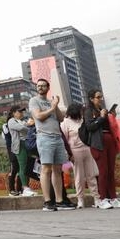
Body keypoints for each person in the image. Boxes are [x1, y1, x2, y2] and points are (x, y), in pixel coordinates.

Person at [28, 79, 69, 212]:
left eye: (43, 86)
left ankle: (59, 200)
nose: (40, 88)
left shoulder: (50, 102)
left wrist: (55, 105)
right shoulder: (34, 101)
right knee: (46, 168)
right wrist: (52, 108)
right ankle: (47, 201)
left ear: (48, 87)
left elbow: (61, 118)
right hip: (44, 137)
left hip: (57, 137)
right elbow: (39, 116)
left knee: (58, 169)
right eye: (38, 86)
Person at [83, 88, 120, 210]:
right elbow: (90, 126)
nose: (100, 99)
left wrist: (110, 117)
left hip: (109, 141)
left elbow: (109, 125)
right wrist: (101, 118)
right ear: (91, 99)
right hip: (98, 143)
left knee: (111, 171)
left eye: (101, 96)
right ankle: (102, 199)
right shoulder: (88, 110)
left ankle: (113, 198)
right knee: (103, 172)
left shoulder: (101, 110)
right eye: (98, 97)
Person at [61, 102, 101, 208]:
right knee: (79, 177)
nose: (82, 111)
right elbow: (64, 139)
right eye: (80, 110)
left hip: (87, 149)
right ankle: (80, 200)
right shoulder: (65, 122)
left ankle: (97, 198)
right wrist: (69, 154)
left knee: (91, 175)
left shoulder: (83, 120)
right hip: (75, 151)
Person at [7, 106, 36, 197]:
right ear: (13, 113)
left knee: (28, 167)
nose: (21, 113)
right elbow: (21, 128)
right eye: (19, 112)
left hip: (27, 144)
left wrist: (28, 125)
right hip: (19, 145)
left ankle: (26, 188)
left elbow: (28, 128)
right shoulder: (11, 121)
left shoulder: (22, 121)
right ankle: (25, 187)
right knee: (22, 166)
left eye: (22, 112)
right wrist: (29, 125)